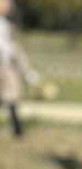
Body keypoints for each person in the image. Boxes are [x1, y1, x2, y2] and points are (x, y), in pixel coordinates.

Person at [0, 0, 38, 139]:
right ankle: (17, 130)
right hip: (3, 65)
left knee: (10, 97)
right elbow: (9, 50)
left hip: (6, 64)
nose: (9, 5)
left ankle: (17, 129)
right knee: (10, 96)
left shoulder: (4, 24)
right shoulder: (2, 25)